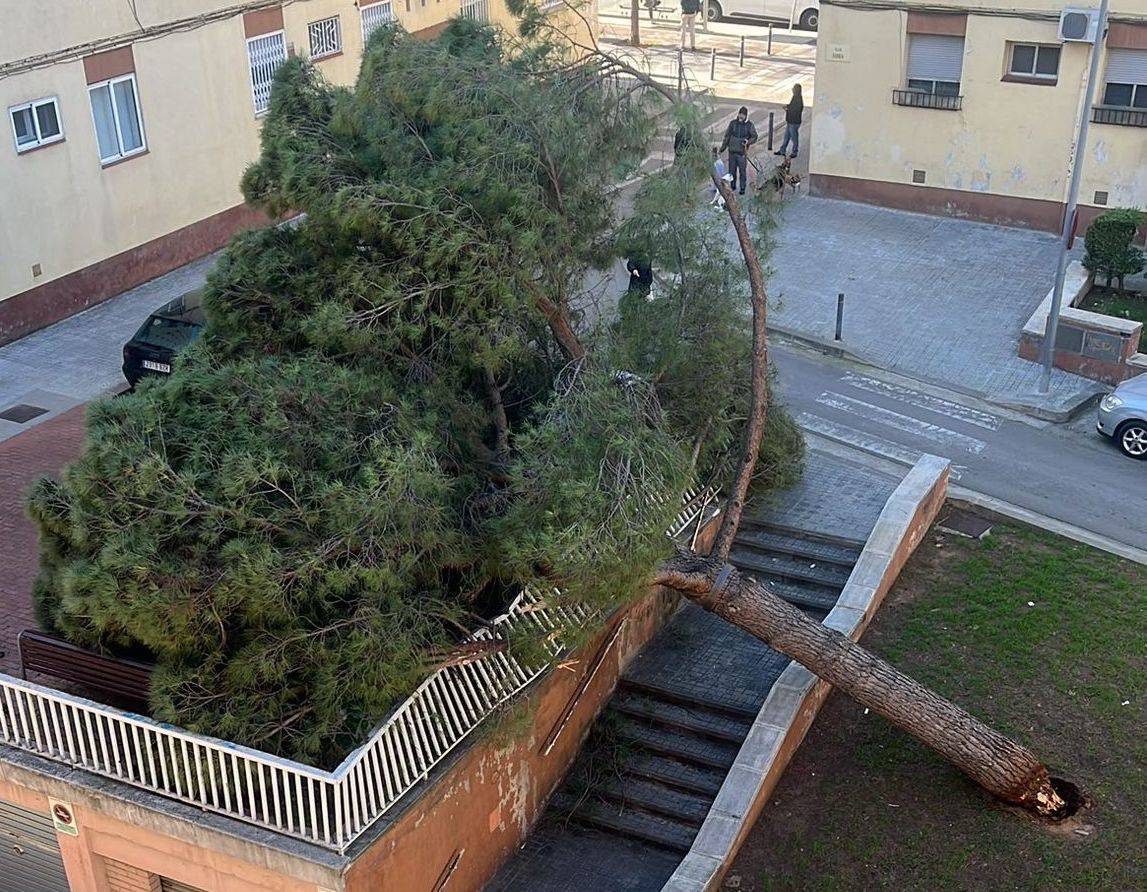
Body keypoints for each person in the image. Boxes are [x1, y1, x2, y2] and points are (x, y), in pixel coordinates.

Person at [718, 106, 757, 196]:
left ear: (746, 116)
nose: (741, 116)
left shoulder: (749, 125)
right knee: (732, 171)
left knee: (742, 172)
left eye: (743, 115)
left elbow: (754, 137)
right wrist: (722, 149)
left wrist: (748, 142)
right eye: (740, 114)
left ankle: (742, 188)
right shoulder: (732, 124)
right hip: (732, 152)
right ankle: (732, 186)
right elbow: (727, 137)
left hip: (742, 154)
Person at [776, 84, 804, 160]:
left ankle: (794, 152)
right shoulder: (795, 97)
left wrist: (787, 109)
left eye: (793, 89)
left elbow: (796, 110)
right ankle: (782, 150)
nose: (792, 90)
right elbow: (792, 106)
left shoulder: (798, 99)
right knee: (786, 137)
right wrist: (788, 107)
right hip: (790, 121)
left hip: (794, 122)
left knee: (794, 138)